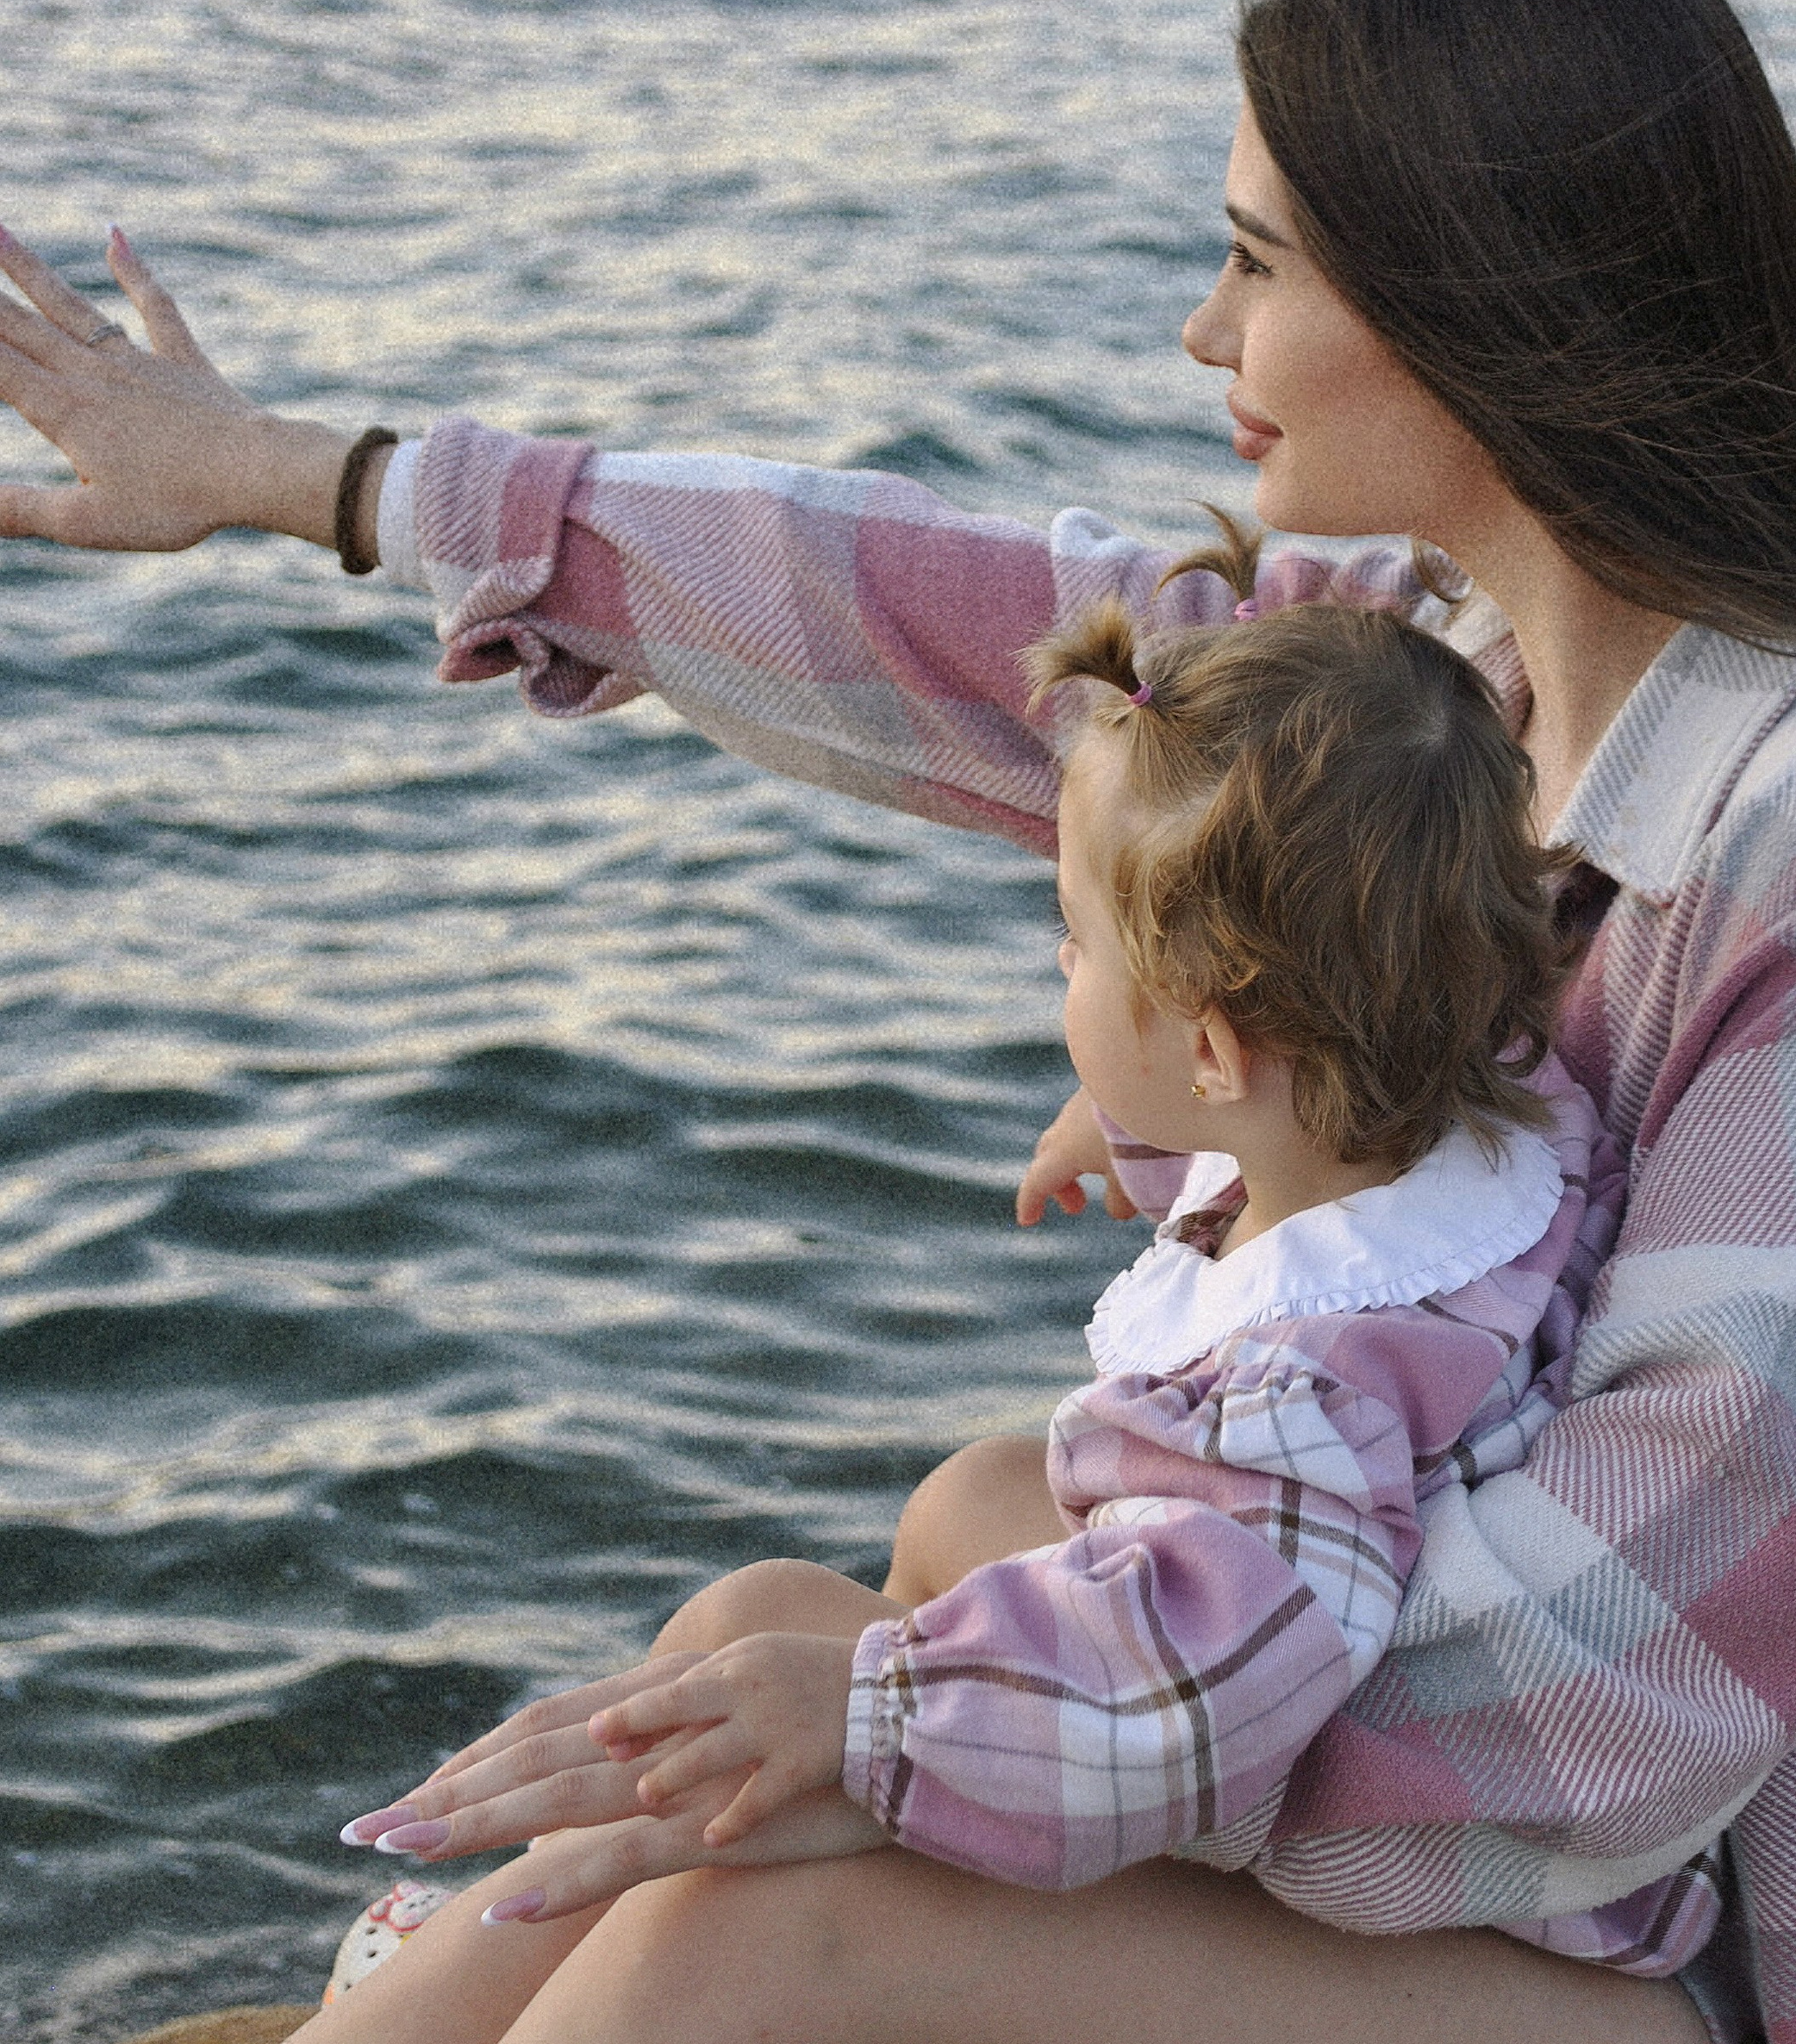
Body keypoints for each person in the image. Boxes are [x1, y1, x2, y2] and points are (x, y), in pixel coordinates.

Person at [0, 0, 1796, 2044]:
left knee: (790, 1905)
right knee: (743, 1690)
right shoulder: (1452, 653)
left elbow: (1624, 1679)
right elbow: (983, 634)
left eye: (1256, 258)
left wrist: (925, 1733)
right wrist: (318, 480)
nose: (1200, 332)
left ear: (1480, 299)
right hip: (1511, 1980)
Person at [345, 539, 1712, 1972]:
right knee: (969, 1501)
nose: (1059, 970)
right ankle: (531, 1926)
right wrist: (1143, 1126)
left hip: (1427, 1902)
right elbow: (1339, 1047)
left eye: (1074, 946)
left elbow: (1196, 1688)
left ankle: (489, 1956)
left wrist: (878, 1722)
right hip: (1460, 1770)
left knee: (759, 1638)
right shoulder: (1496, 1125)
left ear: (1207, 1043)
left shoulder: (1312, 1395)